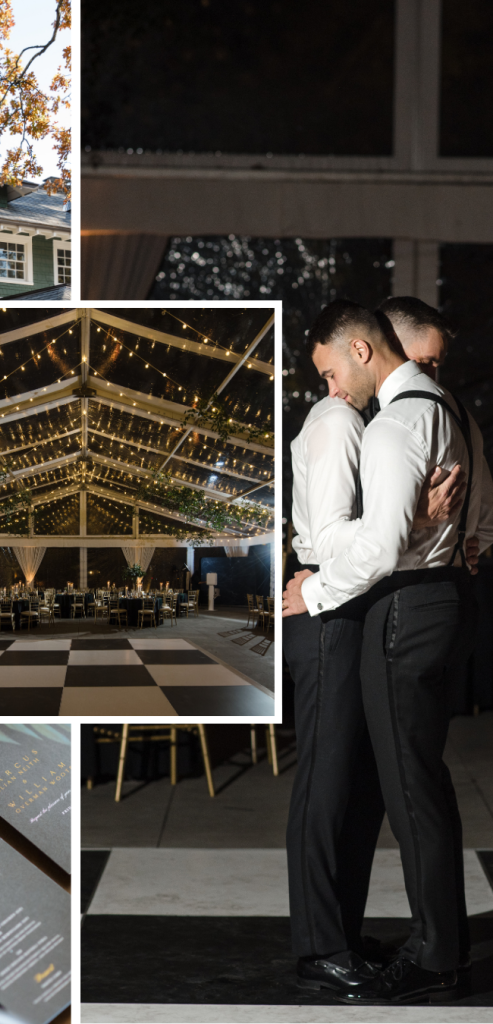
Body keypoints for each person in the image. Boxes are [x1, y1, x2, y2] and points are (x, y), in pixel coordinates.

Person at [284, 299, 493, 1004]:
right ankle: (332, 943)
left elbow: (372, 546)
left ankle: (429, 951)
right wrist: (443, 540)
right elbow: (474, 519)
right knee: (372, 779)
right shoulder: (441, 415)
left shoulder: (395, 423)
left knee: (401, 787)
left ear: (365, 350)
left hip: (389, 605)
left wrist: (318, 584)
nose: (329, 387)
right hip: (412, 602)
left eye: (330, 370)